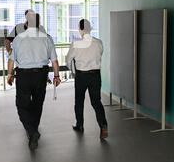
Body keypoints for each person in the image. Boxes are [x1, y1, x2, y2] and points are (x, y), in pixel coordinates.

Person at [7, 12, 61, 150]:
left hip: (24, 76)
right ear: (39, 23)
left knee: (22, 105)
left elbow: (11, 59)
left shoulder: (19, 38)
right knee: (38, 103)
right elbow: (54, 60)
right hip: (40, 75)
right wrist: (56, 76)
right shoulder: (47, 38)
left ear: (26, 23)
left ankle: (32, 132)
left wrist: (9, 75)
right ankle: (33, 132)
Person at [66, 19, 108, 139]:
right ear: (91, 29)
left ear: (80, 29)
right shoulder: (99, 43)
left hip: (81, 75)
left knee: (79, 101)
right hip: (95, 75)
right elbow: (100, 55)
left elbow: (68, 60)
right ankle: (103, 125)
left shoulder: (76, 44)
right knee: (96, 101)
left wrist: (73, 72)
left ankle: (80, 125)